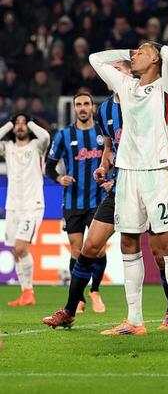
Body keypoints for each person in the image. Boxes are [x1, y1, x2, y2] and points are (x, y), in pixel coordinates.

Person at [42, 61, 168, 330]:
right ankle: (70, 310)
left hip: (150, 185)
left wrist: (155, 168)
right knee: (90, 247)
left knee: (160, 254)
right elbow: (110, 148)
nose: (114, 73)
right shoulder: (106, 110)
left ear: (130, 74)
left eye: (120, 69)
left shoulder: (149, 100)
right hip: (121, 187)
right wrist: (103, 167)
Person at [86, 42, 168, 336]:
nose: (134, 55)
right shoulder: (126, 86)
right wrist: (131, 54)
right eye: (133, 52)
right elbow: (95, 58)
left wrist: (154, 51)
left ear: (156, 60)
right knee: (128, 243)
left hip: (157, 176)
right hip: (127, 175)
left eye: (141, 52)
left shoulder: (167, 87)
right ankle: (134, 320)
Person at [45, 92, 107, 314]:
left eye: (86, 104)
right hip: (72, 201)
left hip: (98, 200)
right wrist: (59, 178)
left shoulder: (102, 133)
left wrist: (110, 179)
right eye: (78, 104)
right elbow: (49, 166)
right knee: (76, 249)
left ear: (92, 107)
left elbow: (114, 158)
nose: (82, 108)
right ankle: (79, 298)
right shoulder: (64, 135)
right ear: (74, 109)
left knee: (99, 249)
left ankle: (95, 291)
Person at [1, 113, 50, 306]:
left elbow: (45, 136)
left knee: (21, 247)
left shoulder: (37, 146)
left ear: (30, 126)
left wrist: (29, 121)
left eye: (24, 123)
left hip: (32, 206)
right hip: (13, 207)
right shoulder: (8, 147)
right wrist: (9, 123)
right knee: (16, 251)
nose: (20, 126)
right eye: (17, 123)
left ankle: (29, 292)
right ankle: (25, 293)